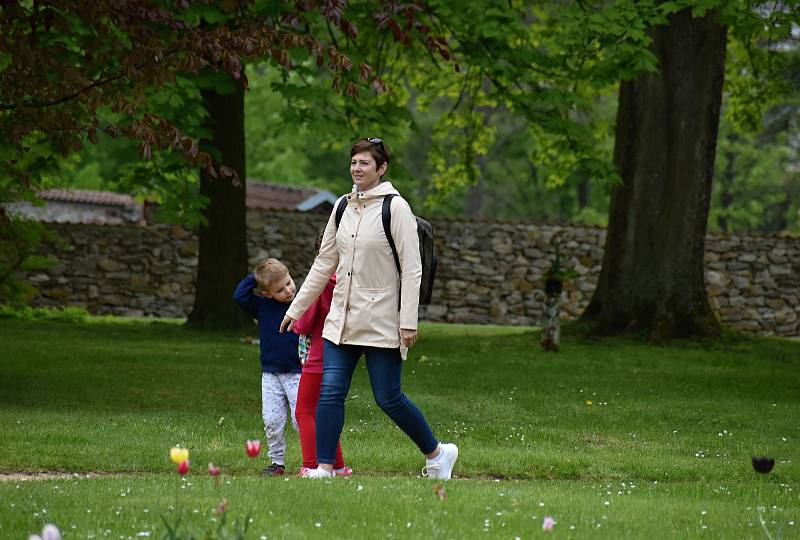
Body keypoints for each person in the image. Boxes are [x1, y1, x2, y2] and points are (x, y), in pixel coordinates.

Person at [280, 137, 458, 480]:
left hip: (382, 322)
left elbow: (412, 269)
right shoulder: (342, 207)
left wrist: (408, 322)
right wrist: (296, 309)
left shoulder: (396, 208)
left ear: (381, 168)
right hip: (341, 321)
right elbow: (324, 263)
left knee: (389, 398)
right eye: (353, 163)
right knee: (330, 393)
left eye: (364, 163)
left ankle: (438, 455)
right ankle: (325, 468)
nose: (357, 169)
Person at [233, 258, 301, 477]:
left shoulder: (302, 302)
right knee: (272, 420)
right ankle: (277, 462)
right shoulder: (262, 307)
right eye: (280, 289)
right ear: (266, 293)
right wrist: (257, 276)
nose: (288, 290)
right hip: (271, 374)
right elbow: (240, 296)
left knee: (301, 419)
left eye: (289, 282)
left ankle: (314, 460)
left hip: (298, 372)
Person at [292, 232, 352, 477]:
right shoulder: (349, 281)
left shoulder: (321, 284)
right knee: (325, 410)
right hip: (340, 355)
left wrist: (295, 321)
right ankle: (337, 466)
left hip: (317, 356)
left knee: (304, 410)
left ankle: (310, 464)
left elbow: (304, 324)